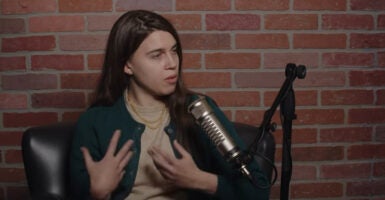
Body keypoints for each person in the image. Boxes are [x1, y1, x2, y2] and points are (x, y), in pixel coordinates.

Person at [70, 10, 270, 200]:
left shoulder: (198, 110)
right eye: (157, 55)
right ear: (127, 65)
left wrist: (201, 180)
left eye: (174, 51)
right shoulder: (94, 121)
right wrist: (98, 194)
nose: (172, 63)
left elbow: (258, 191)